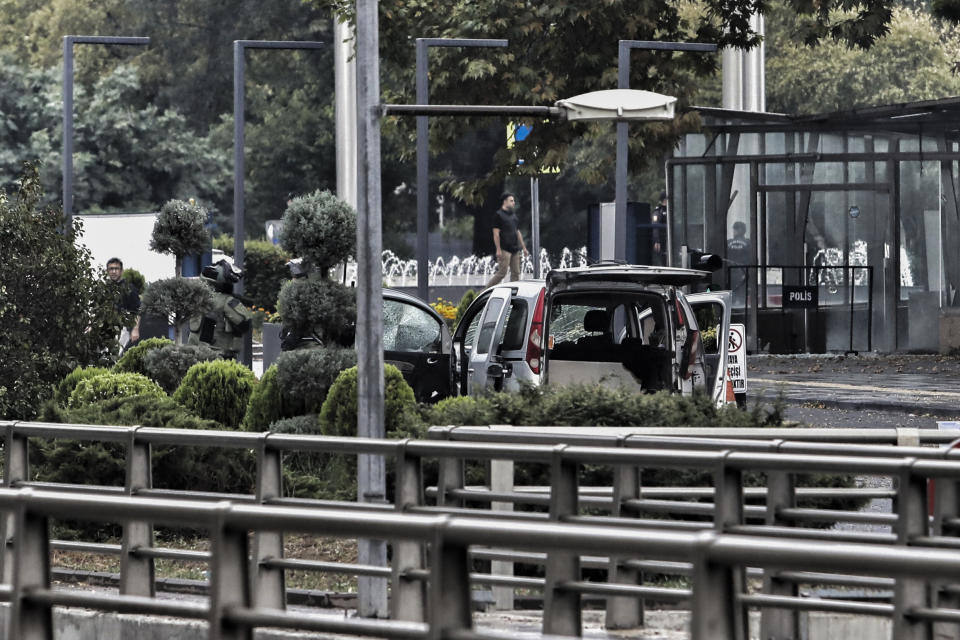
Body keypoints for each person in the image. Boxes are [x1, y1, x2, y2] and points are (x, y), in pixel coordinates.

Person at [188, 259, 253, 360]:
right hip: (216, 355)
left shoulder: (197, 296)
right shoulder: (226, 301)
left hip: (193, 352)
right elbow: (245, 321)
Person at [486, 192, 529, 287]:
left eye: (514, 201)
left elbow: (518, 232)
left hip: (515, 248)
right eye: (511, 201)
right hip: (504, 249)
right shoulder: (498, 215)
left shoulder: (513, 216)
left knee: (516, 273)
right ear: (505, 201)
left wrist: (524, 248)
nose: (513, 203)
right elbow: (496, 234)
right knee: (502, 273)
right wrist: (498, 249)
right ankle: (485, 290)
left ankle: (513, 293)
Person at [106, 257, 140, 351]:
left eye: (116, 269)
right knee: (102, 356)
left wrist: (135, 329)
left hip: (122, 328)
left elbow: (136, 310)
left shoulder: (129, 288)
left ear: (121, 271)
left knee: (114, 355)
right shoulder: (105, 288)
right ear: (107, 271)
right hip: (106, 327)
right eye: (111, 269)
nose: (113, 271)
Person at [726, 221, 750, 304]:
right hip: (743, 273)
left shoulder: (728, 242)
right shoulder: (749, 243)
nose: (734, 231)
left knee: (730, 297)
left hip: (730, 273)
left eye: (735, 229)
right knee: (742, 298)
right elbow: (753, 259)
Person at [651, 191, 668, 266]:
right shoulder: (658, 211)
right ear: (664, 200)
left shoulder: (669, 210)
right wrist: (657, 241)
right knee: (663, 258)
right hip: (662, 240)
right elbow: (655, 226)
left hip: (669, 239)